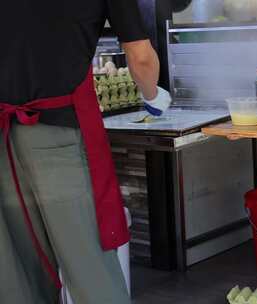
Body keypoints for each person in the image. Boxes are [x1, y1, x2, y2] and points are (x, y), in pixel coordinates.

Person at [0, 1, 171, 303]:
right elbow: (141, 59)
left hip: (5, 138)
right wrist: (153, 95)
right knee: (91, 269)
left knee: (22, 273)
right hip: (59, 138)